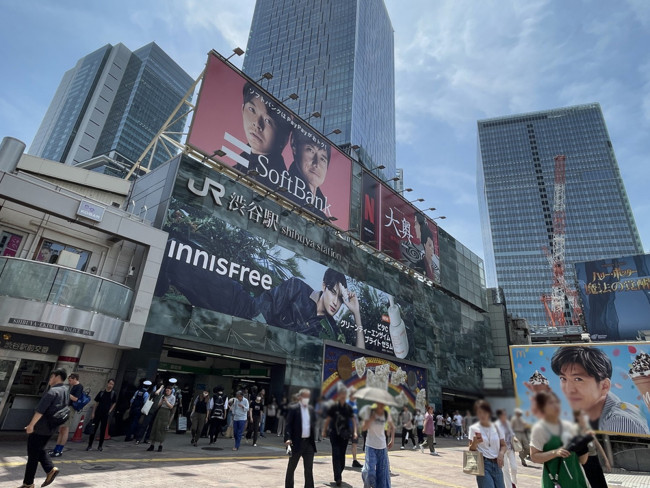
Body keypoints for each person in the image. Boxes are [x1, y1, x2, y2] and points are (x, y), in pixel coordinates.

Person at [551, 346, 650, 434]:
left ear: (604, 386)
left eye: (578, 379)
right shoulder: (587, 416)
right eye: (563, 379)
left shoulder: (619, 422)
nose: (569, 389)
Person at [255, 268, 365, 347]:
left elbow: (359, 360)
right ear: (324, 286)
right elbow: (261, 309)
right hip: (259, 343)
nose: (335, 302)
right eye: (332, 292)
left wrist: (357, 314)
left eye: (340, 299)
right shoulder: (297, 288)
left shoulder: (331, 330)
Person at [530, 391, 588, 488]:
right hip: (555, 482)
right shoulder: (539, 429)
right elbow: (534, 457)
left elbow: (583, 461)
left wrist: (584, 444)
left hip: (577, 481)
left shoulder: (570, 427)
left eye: (557, 402)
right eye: (551, 403)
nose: (555, 406)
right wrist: (555, 453)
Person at [233, 82, 293, 178]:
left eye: (268, 121)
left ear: (284, 138)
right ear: (242, 109)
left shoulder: (283, 186)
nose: (257, 124)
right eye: (252, 110)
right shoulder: (235, 169)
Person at [20, 368, 66, 488]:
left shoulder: (52, 392)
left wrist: (31, 425)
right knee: (39, 450)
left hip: (40, 428)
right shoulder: (65, 391)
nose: (50, 379)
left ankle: (28, 483)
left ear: (57, 376)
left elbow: (40, 411)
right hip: (51, 427)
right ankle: (50, 470)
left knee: (33, 456)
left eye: (51, 377)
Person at [287, 129, 331, 219]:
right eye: (310, 150)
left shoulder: (323, 216)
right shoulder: (282, 191)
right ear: (294, 146)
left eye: (323, 159)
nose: (316, 164)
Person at [323, 384, 357, 486]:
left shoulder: (348, 408)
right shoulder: (333, 407)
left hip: (345, 435)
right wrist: (324, 430)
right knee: (336, 454)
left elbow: (353, 420)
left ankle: (339, 472)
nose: (343, 395)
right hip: (334, 434)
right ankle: (338, 477)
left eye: (344, 394)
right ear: (339, 395)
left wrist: (355, 432)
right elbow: (328, 419)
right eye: (341, 394)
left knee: (342, 455)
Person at [468, 400, 507, 488]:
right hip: (483, 464)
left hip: (497, 465)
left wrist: (501, 454)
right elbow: (471, 450)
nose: (482, 415)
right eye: (479, 412)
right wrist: (474, 443)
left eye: (485, 412)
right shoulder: (473, 428)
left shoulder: (498, 427)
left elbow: (503, 445)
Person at [285, 388, 317, 488]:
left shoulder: (311, 409)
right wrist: (288, 438)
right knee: (291, 468)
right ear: (300, 397)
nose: (306, 399)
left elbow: (313, 423)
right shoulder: (293, 408)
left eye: (308, 397)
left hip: (308, 444)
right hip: (296, 442)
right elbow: (288, 425)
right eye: (304, 396)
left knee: (309, 469)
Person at [48, 373, 83, 457]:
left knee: (65, 429)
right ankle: (56, 448)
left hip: (70, 409)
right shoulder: (71, 386)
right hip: (66, 407)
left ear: (75, 379)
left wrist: (66, 392)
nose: (69, 381)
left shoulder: (79, 387)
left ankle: (59, 450)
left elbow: (75, 398)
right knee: (61, 429)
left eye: (70, 380)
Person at [361, 402, 395, 488]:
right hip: (370, 446)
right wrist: (371, 419)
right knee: (369, 472)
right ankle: (368, 483)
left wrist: (392, 440)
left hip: (382, 447)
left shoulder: (386, 413)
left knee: (382, 474)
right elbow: (363, 428)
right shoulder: (370, 412)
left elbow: (392, 427)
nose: (382, 405)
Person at [575, 410, 610, 488]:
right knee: (592, 483)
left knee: (601, 482)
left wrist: (606, 460)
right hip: (586, 462)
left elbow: (599, 446)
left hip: (595, 460)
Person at [86, 379, 117, 452]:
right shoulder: (101, 392)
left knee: (103, 430)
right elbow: (96, 403)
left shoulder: (113, 393)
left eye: (112, 384)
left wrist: (110, 410)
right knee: (93, 429)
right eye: (110, 383)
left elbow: (114, 402)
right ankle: (89, 445)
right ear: (107, 383)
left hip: (105, 413)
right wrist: (93, 413)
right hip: (98, 412)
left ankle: (100, 446)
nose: (111, 385)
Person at [146, 384, 176, 452]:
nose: (167, 392)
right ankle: (152, 445)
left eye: (168, 391)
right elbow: (158, 405)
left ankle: (160, 445)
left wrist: (166, 401)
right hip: (160, 411)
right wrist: (162, 401)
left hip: (166, 412)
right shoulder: (163, 396)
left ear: (171, 391)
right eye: (166, 391)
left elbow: (171, 407)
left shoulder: (173, 397)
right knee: (155, 427)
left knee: (162, 428)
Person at [496, 409, 518, 488]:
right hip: (503, 449)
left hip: (510, 448)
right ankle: (509, 486)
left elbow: (512, 433)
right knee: (505, 470)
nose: (505, 416)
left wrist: (515, 438)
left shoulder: (508, 424)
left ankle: (513, 481)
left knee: (514, 467)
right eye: (503, 414)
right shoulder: (497, 425)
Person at [348, 387, 363, 468]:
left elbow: (356, 416)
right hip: (347, 426)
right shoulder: (347, 403)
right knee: (343, 444)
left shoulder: (355, 404)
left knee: (354, 443)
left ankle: (354, 460)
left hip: (354, 427)